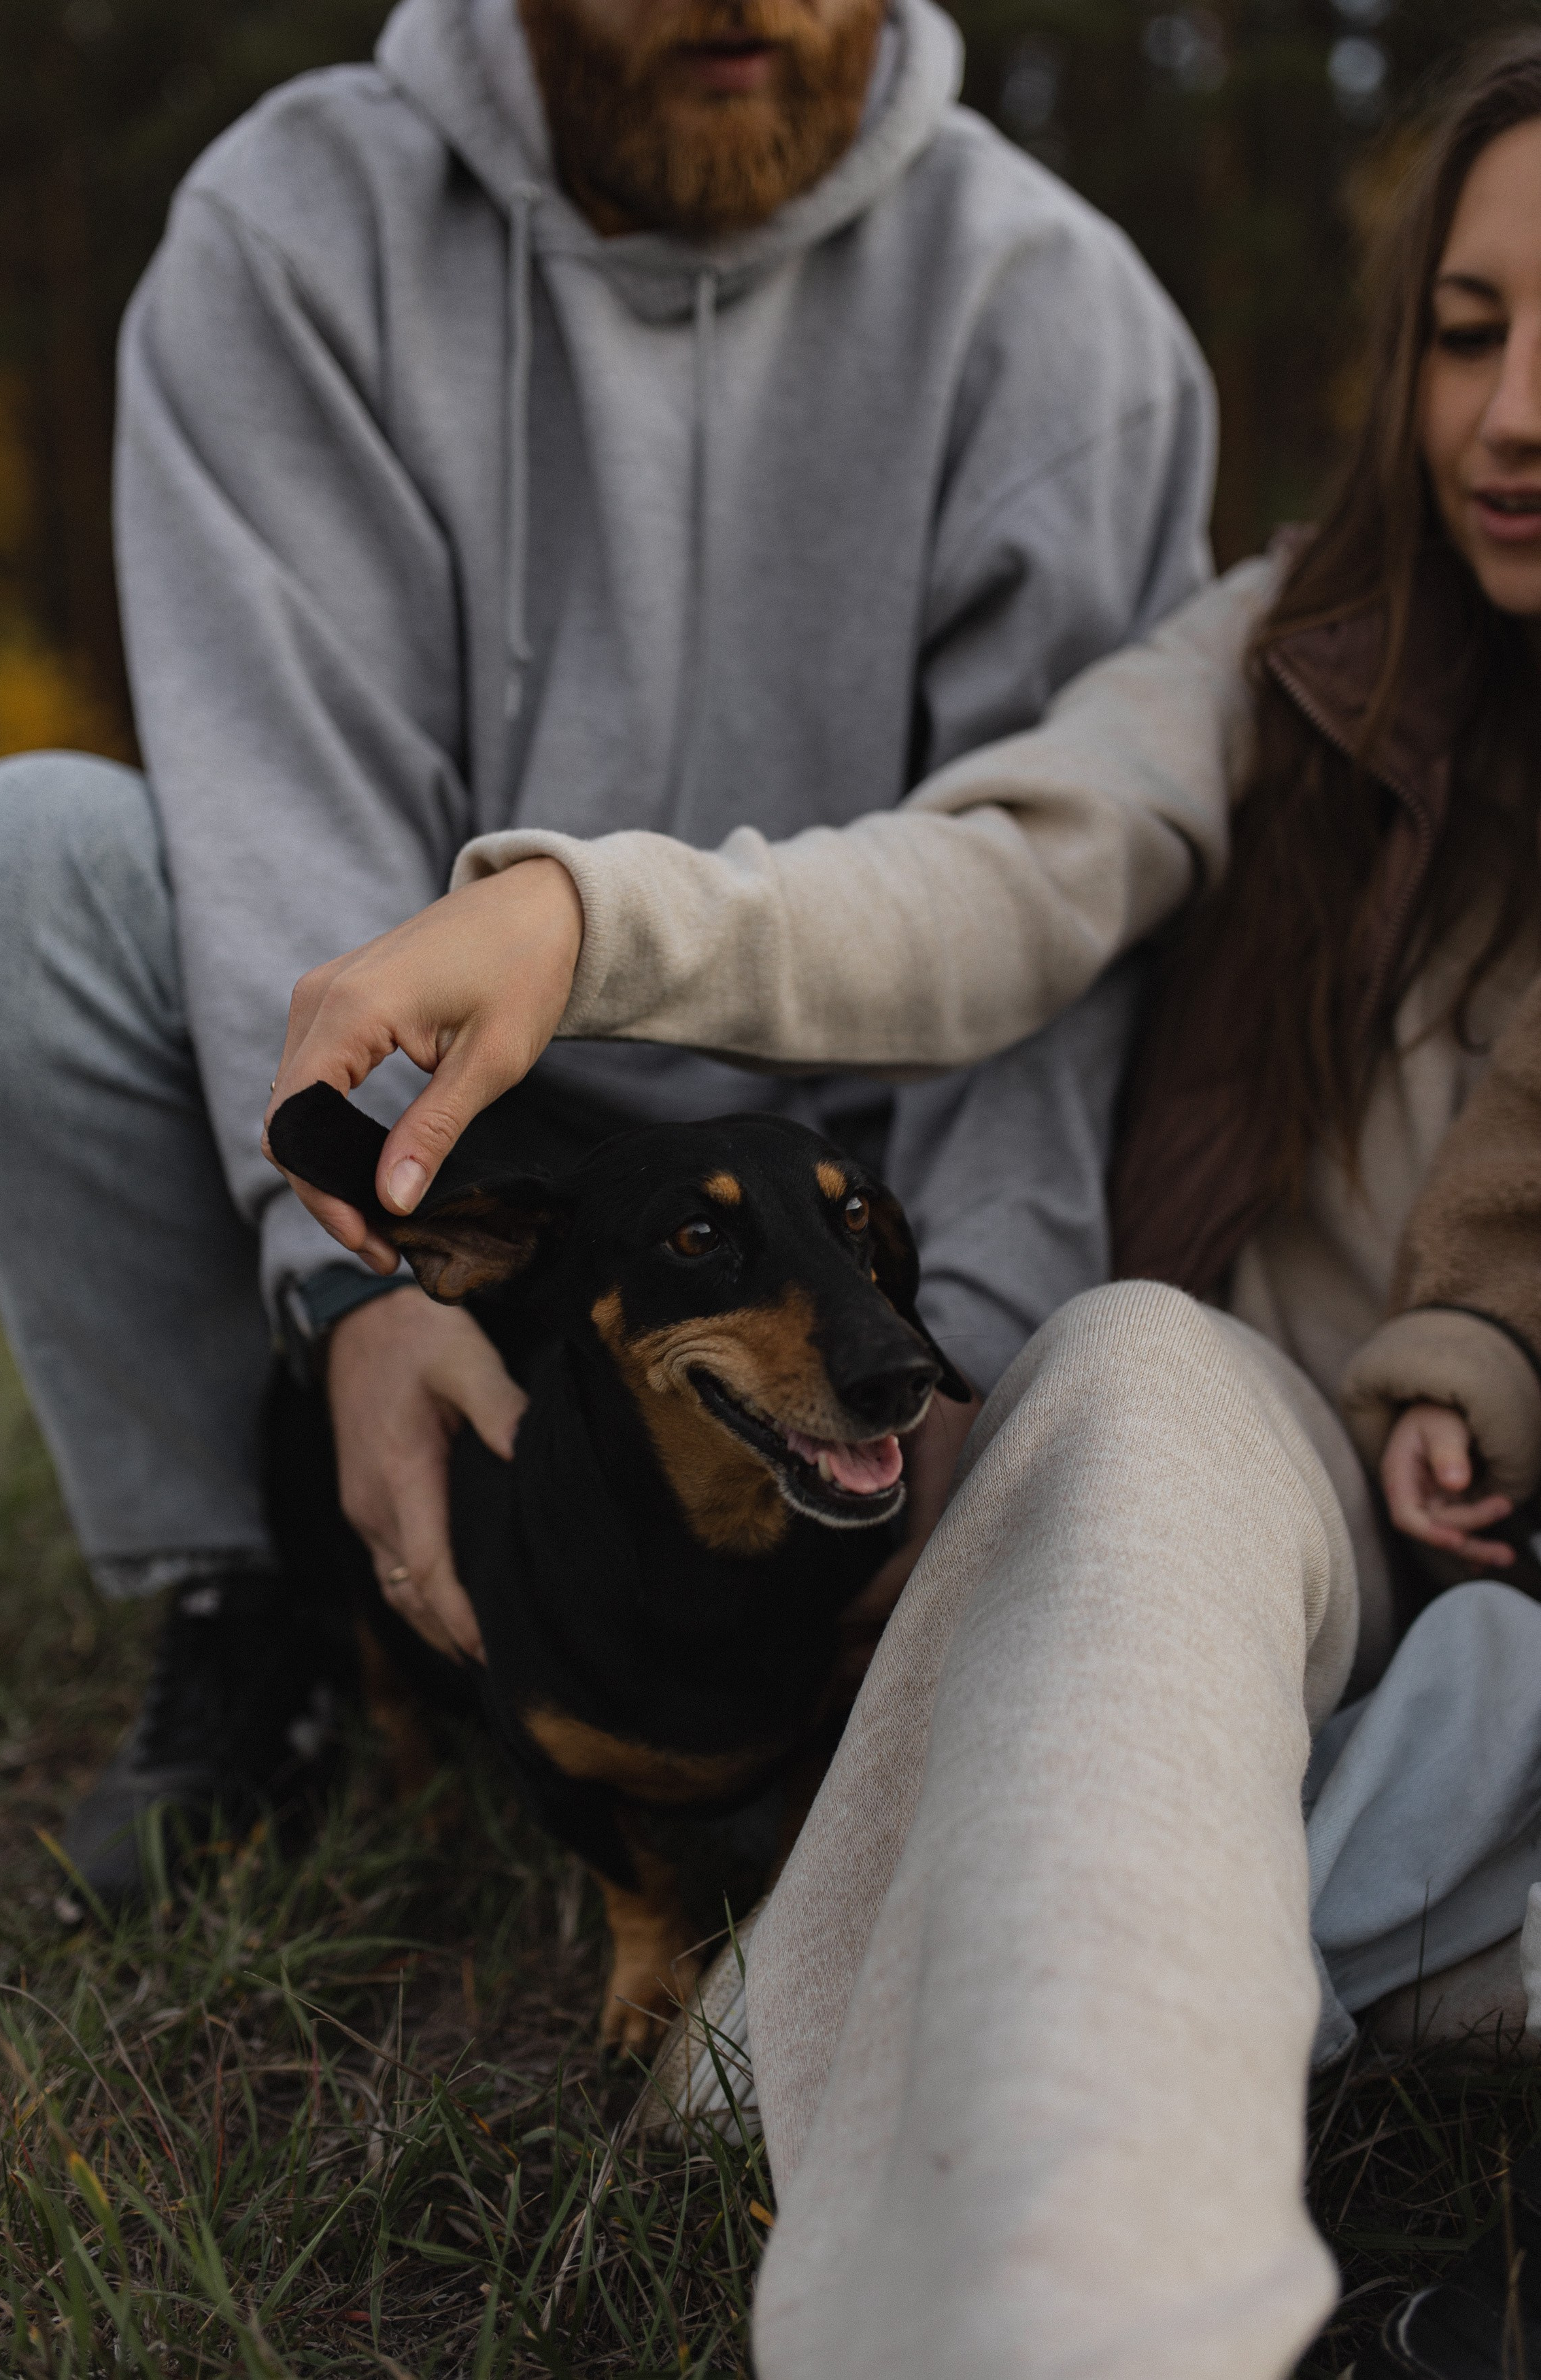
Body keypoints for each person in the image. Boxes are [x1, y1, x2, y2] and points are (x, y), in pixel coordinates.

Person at [268, 33, 1541, 2377]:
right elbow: (985, 883)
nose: (1517, 412)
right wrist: (591, 924)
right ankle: (1079, 2313)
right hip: (1266, 1474)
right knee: (1129, 1403)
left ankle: (988, 1941)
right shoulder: (1287, 652)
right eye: (1468, 329)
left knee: (1257, 1826)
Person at [0, 0, 1217, 1894]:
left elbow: (1043, 925)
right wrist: (358, 1288)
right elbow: (280, 800)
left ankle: (878, 1642)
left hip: (838, 1176)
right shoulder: (295, 230)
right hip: (463, 1126)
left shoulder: (1061, 317)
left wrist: (986, 1375)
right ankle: (261, 1613)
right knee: (19, 862)